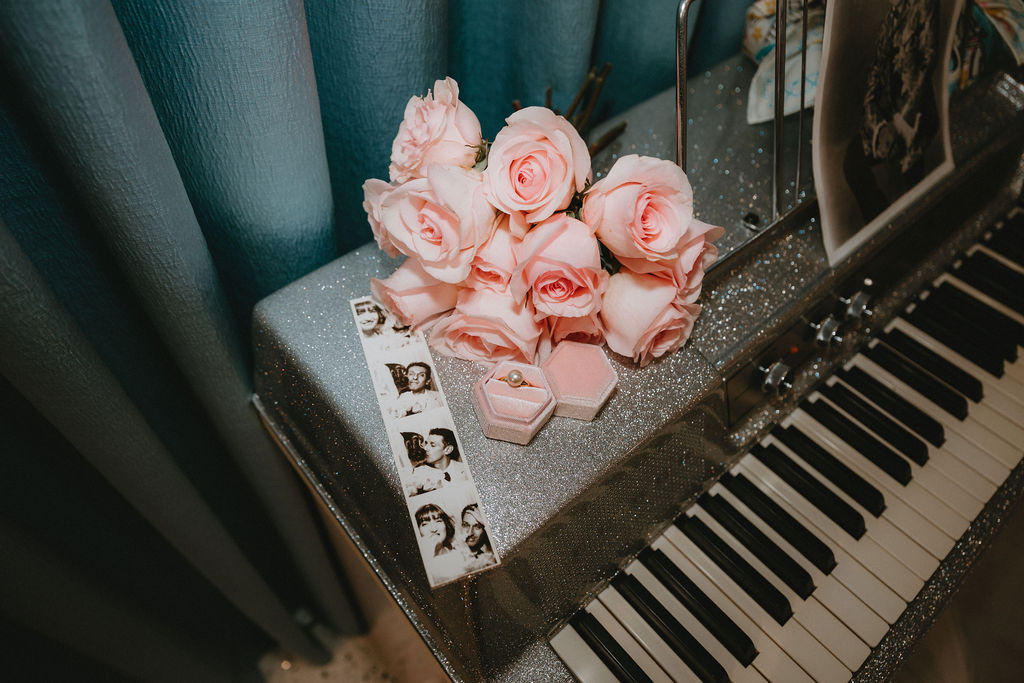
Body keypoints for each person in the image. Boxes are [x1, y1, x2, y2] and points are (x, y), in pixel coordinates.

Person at [406, 428, 469, 496]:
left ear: (448, 450)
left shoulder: (465, 469)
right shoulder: (418, 473)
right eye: (426, 443)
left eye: (432, 445)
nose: (425, 448)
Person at [460, 503, 496, 570]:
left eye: (477, 527)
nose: (470, 532)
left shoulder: (490, 558)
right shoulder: (451, 556)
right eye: (466, 525)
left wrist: (486, 523)